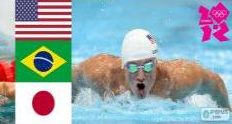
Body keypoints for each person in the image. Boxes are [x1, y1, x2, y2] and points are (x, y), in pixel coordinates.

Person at [73, 29, 231, 110]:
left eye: (148, 66)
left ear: (156, 63)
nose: (141, 76)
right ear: (124, 65)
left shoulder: (178, 80)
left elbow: (215, 81)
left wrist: (227, 112)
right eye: (133, 66)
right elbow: (72, 74)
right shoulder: (101, 74)